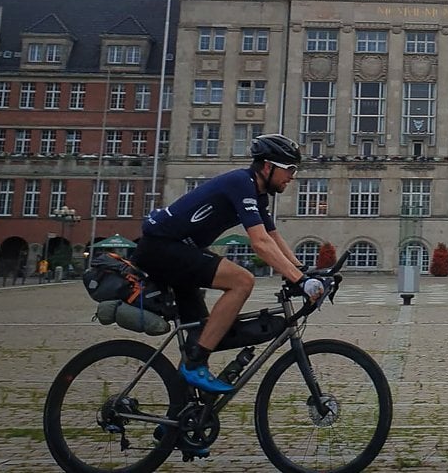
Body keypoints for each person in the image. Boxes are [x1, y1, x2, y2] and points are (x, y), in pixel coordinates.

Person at [132, 133, 324, 393]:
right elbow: (259, 243)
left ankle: (182, 415)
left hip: (177, 250)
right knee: (242, 281)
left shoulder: (258, 194)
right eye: (290, 169)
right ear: (268, 166)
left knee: (204, 333)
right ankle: (194, 365)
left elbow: (272, 236)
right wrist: (300, 281)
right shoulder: (240, 183)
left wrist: (302, 271)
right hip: (161, 248)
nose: (292, 176)